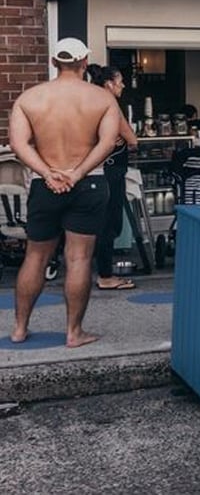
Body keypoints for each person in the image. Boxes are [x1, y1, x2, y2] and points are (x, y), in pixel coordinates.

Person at [9, 38, 121, 348]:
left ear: (54, 62)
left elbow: (18, 145)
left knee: (35, 255)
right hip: (89, 184)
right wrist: (78, 173)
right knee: (79, 258)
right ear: (85, 61)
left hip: (47, 185)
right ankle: (74, 333)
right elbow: (107, 143)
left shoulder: (29, 99)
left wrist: (47, 173)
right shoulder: (102, 99)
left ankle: (19, 329)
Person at [92, 66, 139, 291]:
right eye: (120, 81)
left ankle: (98, 271)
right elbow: (132, 139)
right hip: (111, 170)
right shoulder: (110, 104)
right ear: (109, 83)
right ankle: (105, 275)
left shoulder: (91, 102)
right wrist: (123, 135)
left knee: (97, 223)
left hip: (93, 171)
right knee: (109, 224)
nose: (123, 85)